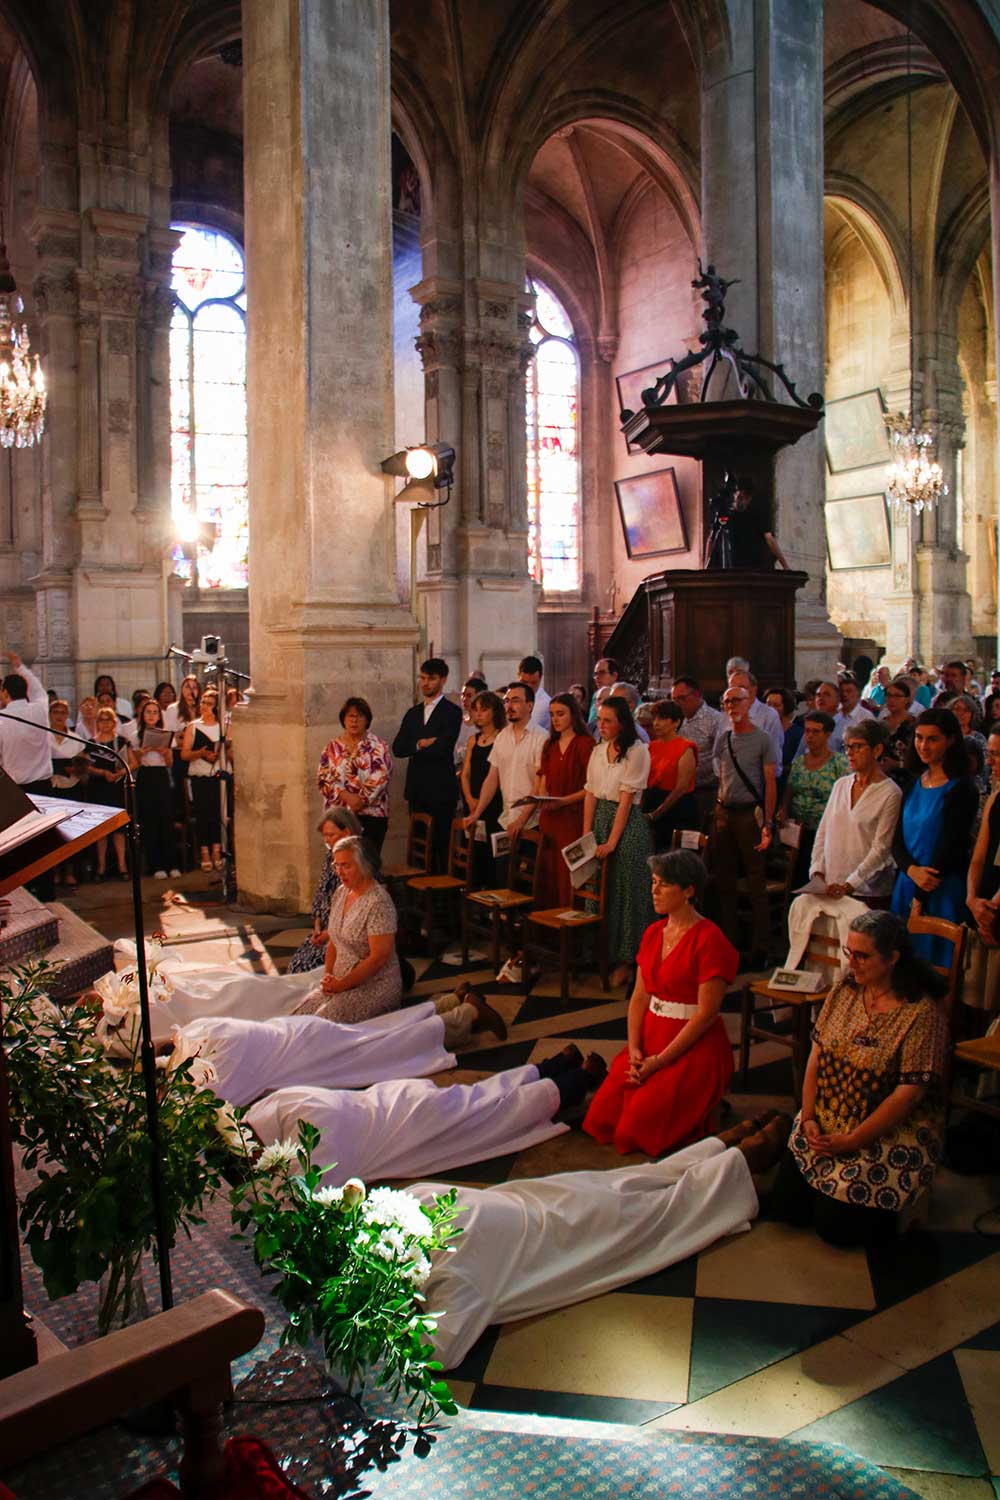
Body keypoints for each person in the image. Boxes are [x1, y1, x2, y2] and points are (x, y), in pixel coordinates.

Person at [413, 1135, 761, 1371]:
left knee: (653, 1217)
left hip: (566, 1239)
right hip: (550, 1201)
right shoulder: (416, 1200)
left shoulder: (455, 1278)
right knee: (631, 1184)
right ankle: (722, 1145)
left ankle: (741, 1163)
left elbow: (440, 1351)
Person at [772, 910, 949, 1248]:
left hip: (885, 1130)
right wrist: (808, 1116)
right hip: (827, 1118)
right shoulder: (846, 990)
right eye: (849, 952)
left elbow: (907, 1095)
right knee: (788, 1210)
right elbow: (816, 1055)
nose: (852, 963)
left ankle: (901, 1209)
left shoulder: (921, 1013)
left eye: (863, 955)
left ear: (893, 957)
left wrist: (853, 1139)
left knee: (835, 1230)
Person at [246, 1046, 608, 1182]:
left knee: (497, 1115)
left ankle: (580, 1078)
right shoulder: (281, 1104)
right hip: (398, 1098)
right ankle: (557, 1063)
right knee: (483, 1097)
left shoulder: (307, 1130)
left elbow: (315, 1186)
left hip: (414, 1124)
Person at [584, 849, 738, 1155]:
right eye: (653, 882)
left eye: (663, 884)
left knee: (637, 1129)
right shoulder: (654, 933)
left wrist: (659, 1062)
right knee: (603, 1115)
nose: (654, 891)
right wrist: (635, 1049)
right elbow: (639, 997)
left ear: (689, 890)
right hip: (652, 1035)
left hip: (691, 1043)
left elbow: (706, 1015)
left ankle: (710, 1106)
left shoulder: (709, 939)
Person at [890, 708, 979, 963]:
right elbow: (897, 840)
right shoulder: (914, 782)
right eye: (919, 737)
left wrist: (921, 892)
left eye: (932, 739)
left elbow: (951, 845)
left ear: (950, 740)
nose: (923, 746)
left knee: (934, 966)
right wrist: (911, 871)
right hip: (908, 882)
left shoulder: (962, 787)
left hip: (939, 888)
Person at [583, 695, 655, 987]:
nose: (601, 726)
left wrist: (612, 841)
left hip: (627, 828)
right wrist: (587, 834)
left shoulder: (638, 751)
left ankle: (627, 960)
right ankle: (601, 953)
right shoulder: (599, 750)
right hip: (600, 817)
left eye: (607, 721)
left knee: (625, 893)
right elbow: (590, 793)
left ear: (622, 723)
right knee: (600, 888)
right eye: (599, 720)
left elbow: (626, 801)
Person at [295, 836, 402, 1024]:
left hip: (373, 986)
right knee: (299, 1017)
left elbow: (378, 959)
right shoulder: (342, 892)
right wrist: (328, 977)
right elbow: (334, 940)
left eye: (346, 866)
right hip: (340, 982)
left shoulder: (379, 903)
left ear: (364, 865)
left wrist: (342, 985)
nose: (339, 872)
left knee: (321, 1024)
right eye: (337, 865)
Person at [710, 682, 777, 965]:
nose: (731, 707)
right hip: (724, 812)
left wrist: (768, 822)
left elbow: (770, 782)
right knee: (724, 880)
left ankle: (761, 947)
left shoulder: (762, 739)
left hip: (750, 814)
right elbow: (719, 770)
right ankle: (729, 942)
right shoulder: (723, 738)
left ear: (749, 703)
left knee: (755, 880)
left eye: (737, 701)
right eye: (727, 702)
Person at [808, 720, 901, 901]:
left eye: (857, 746)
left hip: (867, 892)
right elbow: (823, 833)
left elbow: (881, 848)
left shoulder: (890, 793)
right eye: (847, 746)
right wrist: (817, 872)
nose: (849, 753)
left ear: (877, 750)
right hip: (830, 886)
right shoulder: (841, 785)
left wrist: (849, 884)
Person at [392, 657, 463, 872]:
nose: (425, 683)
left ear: (442, 680)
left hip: (441, 789)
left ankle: (442, 896)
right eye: (422, 678)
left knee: (441, 847)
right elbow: (398, 748)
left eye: (431, 678)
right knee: (419, 846)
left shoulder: (452, 711)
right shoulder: (413, 713)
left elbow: (442, 748)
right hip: (417, 789)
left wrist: (421, 746)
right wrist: (421, 744)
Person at [461, 682, 547, 854]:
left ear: (529, 705)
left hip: (531, 823)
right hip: (506, 819)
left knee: (526, 877)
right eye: (507, 701)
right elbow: (492, 779)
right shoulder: (503, 737)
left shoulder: (541, 738)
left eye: (515, 700)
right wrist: (476, 813)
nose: (509, 705)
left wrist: (521, 820)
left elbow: (538, 788)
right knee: (501, 877)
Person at [528, 691, 593, 907]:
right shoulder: (549, 745)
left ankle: (570, 928)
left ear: (573, 715)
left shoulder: (584, 744)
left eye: (560, 714)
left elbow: (592, 787)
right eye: (552, 714)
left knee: (569, 873)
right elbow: (543, 780)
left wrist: (564, 801)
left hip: (572, 816)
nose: (555, 719)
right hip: (550, 817)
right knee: (548, 873)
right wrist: (541, 797)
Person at [287, 809, 364, 974]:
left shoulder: (360, 861)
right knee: (295, 966)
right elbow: (321, 891)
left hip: (345, 936)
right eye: (324, 835)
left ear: (346, 832)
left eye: (330, 835)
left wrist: (330, 933)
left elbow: (356, 910)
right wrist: (317, 925)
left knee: (306, 969)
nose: (326, 840)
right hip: (325, 929)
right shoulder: (332, 855)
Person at [779, 711, 848, 886]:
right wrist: (783, 810)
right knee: (796, 876)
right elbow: (790, 790)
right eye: (807, 731)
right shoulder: (799, 762)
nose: (810, 736)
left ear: (828, 734)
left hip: (825, 831)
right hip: (799, 830)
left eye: (816, 732)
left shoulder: (839, 764)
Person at [316, 696, 393, 852]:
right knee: (339, 866)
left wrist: (360, 801)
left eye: (359, 716)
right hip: (338, 817)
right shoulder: (332, 748)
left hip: (372, 816)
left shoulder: (378, 746)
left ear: (367, 720)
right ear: (343, 719)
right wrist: (345, 795)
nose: (354, 720)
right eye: (350, 716)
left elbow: (382, 775)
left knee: (366, 866)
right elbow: (323, 778)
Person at [966, 729, 1000, 1007]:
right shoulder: (995, 798)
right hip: (983, 905)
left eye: (998, 755)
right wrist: (972, 898)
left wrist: (991, 910)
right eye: (990, 754)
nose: (991, 761)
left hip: (994, 908)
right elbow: (978, 857)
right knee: (976, 999)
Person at [128, 698, 181, 879]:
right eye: (148, 712)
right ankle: (156, 865)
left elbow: (170, 763)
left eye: (155, 712)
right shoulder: (136, 735)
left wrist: (165, 753)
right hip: (146, 775)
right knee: (150, 820)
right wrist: (141, 752)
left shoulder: (166, 734)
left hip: (161, 776)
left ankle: (171, 864)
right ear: (142, 715)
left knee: (166, 819)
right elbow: (134, 761)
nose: (151, 715)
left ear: (160, 715)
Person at [458, 689, 505, 886]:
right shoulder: (473, 740)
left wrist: (481, 804)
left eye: (484, 709)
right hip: (473, 802)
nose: (478, 714)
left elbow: (498, 777)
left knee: (493, 857)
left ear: (494, 712)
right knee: (474, 854)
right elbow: (465, 773)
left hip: (494, 804)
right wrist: (469, 798)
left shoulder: (502, 737)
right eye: (475, 709)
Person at [180, 686, 225, 872]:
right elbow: (184, 754)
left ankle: (217, 850)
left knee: (217, 814)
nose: (204, 706)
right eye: (203, 702)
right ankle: (205, 852)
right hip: (199, 776)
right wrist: (201, 753)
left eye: (209, 703)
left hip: (217, 776)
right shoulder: (193, 726)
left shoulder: (222, 726)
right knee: (202, 814)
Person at [704, 474, 789, 571]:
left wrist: (785, 565)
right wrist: (705, 567)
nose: (742, 500)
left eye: (746, 497)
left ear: (750, 498)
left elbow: (769, 539)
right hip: (729, 566)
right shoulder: (724, 513)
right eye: (740, 496)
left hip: (752, 566)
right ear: (735, 494)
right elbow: (712, 538)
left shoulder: (757, 513)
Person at [644, 699, 697, 851]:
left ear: (676, 722)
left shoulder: (685, 747)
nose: (656, 723)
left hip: (677, 808)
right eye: (655, 718)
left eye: (662, 718)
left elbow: (681, 788)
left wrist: (657, 813)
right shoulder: (652, 746)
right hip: (652, 800)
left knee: (673, 858)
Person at [670, 676, 722, 829]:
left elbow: (720, 758)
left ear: (697, 695)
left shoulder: (715, 720)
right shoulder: (677, 719)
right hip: (679, 791)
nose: (677, 704)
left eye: (681, 698)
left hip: (704, 791)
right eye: (674, 700)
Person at [85, 705, 129, 879]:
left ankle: (122, 866)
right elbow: (86, 766)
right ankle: (101, 867)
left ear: (114, 722)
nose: (105, 723)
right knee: (101, 829)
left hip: (116, 788)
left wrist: (120, 772)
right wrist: (102, 773)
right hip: (99, 788)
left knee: (119, 829)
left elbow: (132, 762)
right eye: (101, 720)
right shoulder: (91, 743)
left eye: (108, 720)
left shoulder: (122, 742)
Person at [0, 652, 53, 795]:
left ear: (5, 693)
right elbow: (37, 689)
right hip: (44, 786)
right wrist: (18, 665)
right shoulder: (40, 709)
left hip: (16, 789)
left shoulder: (2, 720)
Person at [726, 668, 783, 777]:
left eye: (741, 688)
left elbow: (774, 755)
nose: (736, 692)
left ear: (754, 690)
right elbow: (718, 753)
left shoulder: (769, 715)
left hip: (760, 781)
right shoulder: (726, 715)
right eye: (732, 688)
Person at [878, 678, 916, 779]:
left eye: (897, 696)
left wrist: (897, 764)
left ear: (907, 699)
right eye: (889, 695)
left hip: (907, 778)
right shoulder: (881, 724)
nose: (892, 700)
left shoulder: (914, 724)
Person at [764, 687, 804, 784]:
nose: (771, 709)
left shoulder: (797, 733)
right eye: (768, 704)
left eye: (776, 705)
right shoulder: (761, 730)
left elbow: (797, 764)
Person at [518, 654, 551, 731]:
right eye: (524, 682)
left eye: (533, 683)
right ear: (518, 675)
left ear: (540, 678)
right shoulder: (510, 696)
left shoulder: (544, 704)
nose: (528, 687)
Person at [834, 673, 869, 737]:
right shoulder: (834, 714)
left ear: (858, 695)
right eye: (842, 691)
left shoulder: (866, 718)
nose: (844, 694)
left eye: (849, 691)